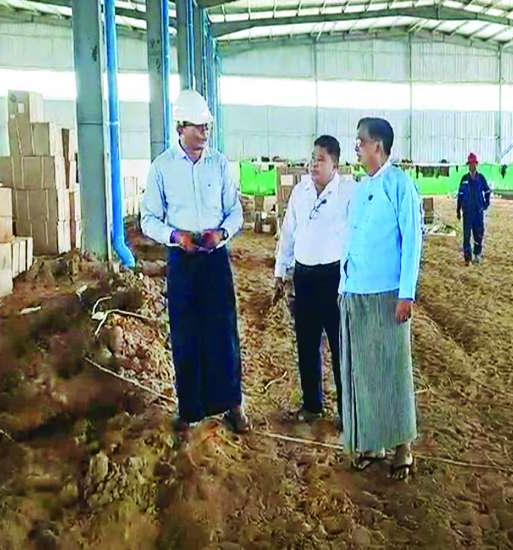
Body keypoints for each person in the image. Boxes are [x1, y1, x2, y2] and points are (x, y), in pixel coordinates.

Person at [141, 89, 249, 436]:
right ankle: (190, 410)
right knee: (186, 333)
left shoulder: (219, 164)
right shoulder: (162, 167)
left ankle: (232, 404)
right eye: (198, 127)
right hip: (182, 260)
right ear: (180, 128)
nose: (204, 133)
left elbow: (235, 211)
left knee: (223, 331)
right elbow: (148, 219)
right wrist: (175, 236)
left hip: (215, 258)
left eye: (207, 127)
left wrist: (222, 233)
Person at [340, 117, 423, 481]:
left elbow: (412, 241)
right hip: (354, 291)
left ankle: (403, 447)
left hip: (388, 295)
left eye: (361, 141)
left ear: (378, 146)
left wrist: (406, 294)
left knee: (392, 371)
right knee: (364, 371)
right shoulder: (361, 189)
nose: (356, 147)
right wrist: (344, 284)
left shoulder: (399, 184)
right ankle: (372, 443)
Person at [273, 135, 355, 431]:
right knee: (306, 344)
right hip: (304, 277)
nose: (313, 164)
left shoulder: (348, 192)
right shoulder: (301, 191)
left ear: (335, 164)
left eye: (321, 159)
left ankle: (347, 412)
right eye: (312, 158)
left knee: (340, 346)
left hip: (335, 279)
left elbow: (358, 235)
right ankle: (312, 405)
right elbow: (288, 233)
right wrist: (280, 271)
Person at [457, 152, 491, 266]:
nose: (472, 166)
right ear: (468, 165)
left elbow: (487, 191)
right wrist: (458, 210)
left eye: (473, 164)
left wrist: (486, 203)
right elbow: (460, 195)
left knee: (478, 234)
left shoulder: (481, 178)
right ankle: (467, 259)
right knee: (466, 236)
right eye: (470, 164)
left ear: (476, 164)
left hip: (478, 212)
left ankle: (477, 254)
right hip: (467, 213)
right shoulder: (464, 179)